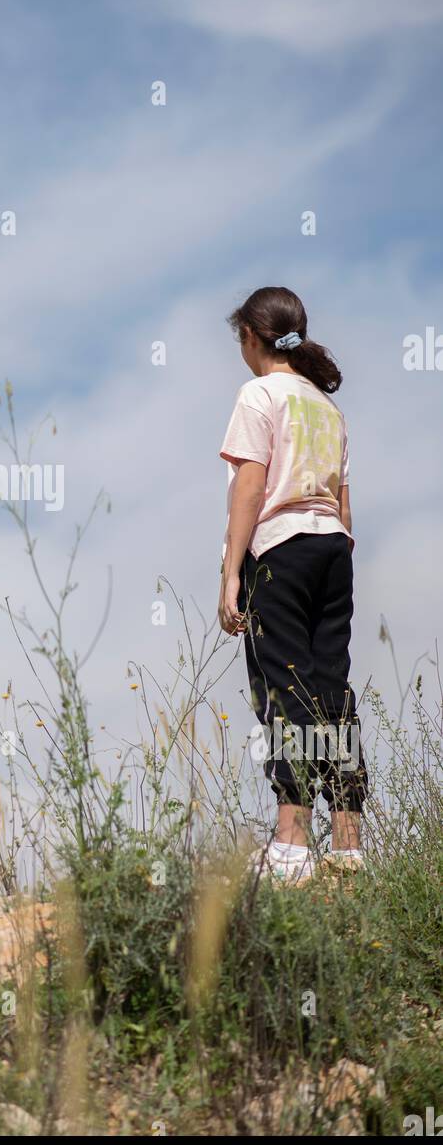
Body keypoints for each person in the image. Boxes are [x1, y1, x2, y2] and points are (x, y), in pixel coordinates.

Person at [218, 286, 367, 882]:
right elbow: (345, 506)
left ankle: (292, 845)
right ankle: (350, 843)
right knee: (333, 688)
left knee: (283, 687)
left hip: (280, 548)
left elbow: (249, 488)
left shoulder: (258, 394)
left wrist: (232, 572)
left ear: (251, 338)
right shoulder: (328, 409)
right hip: (334, 550)